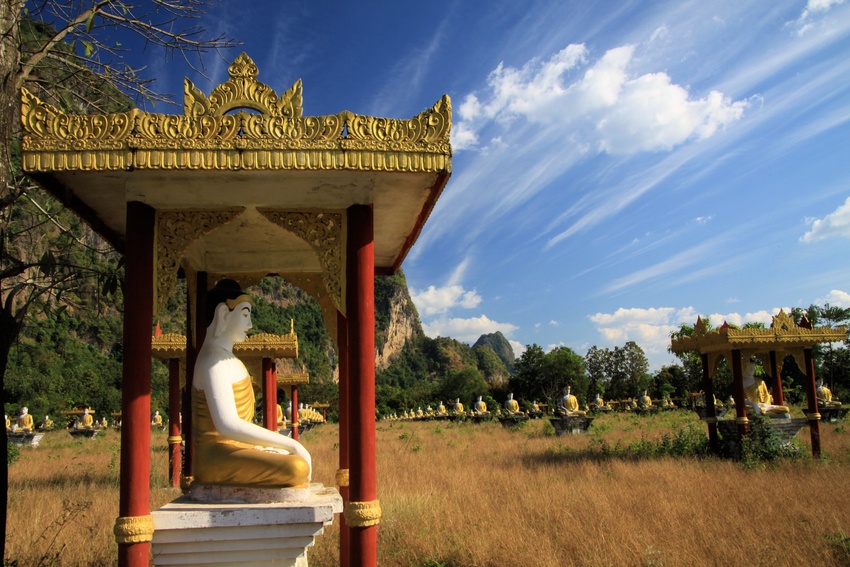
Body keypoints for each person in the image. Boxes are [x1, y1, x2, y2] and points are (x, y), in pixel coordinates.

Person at [192, 279, 310, 488]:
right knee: (296, 468)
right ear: (223, 315)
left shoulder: (229, 360)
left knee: (293, 462)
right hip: (216, 456)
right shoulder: (213, 361)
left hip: (238, 450)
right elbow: (227, 425)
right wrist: (290, 442)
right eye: (245, 315)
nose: (250, 325)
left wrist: (268, 445)